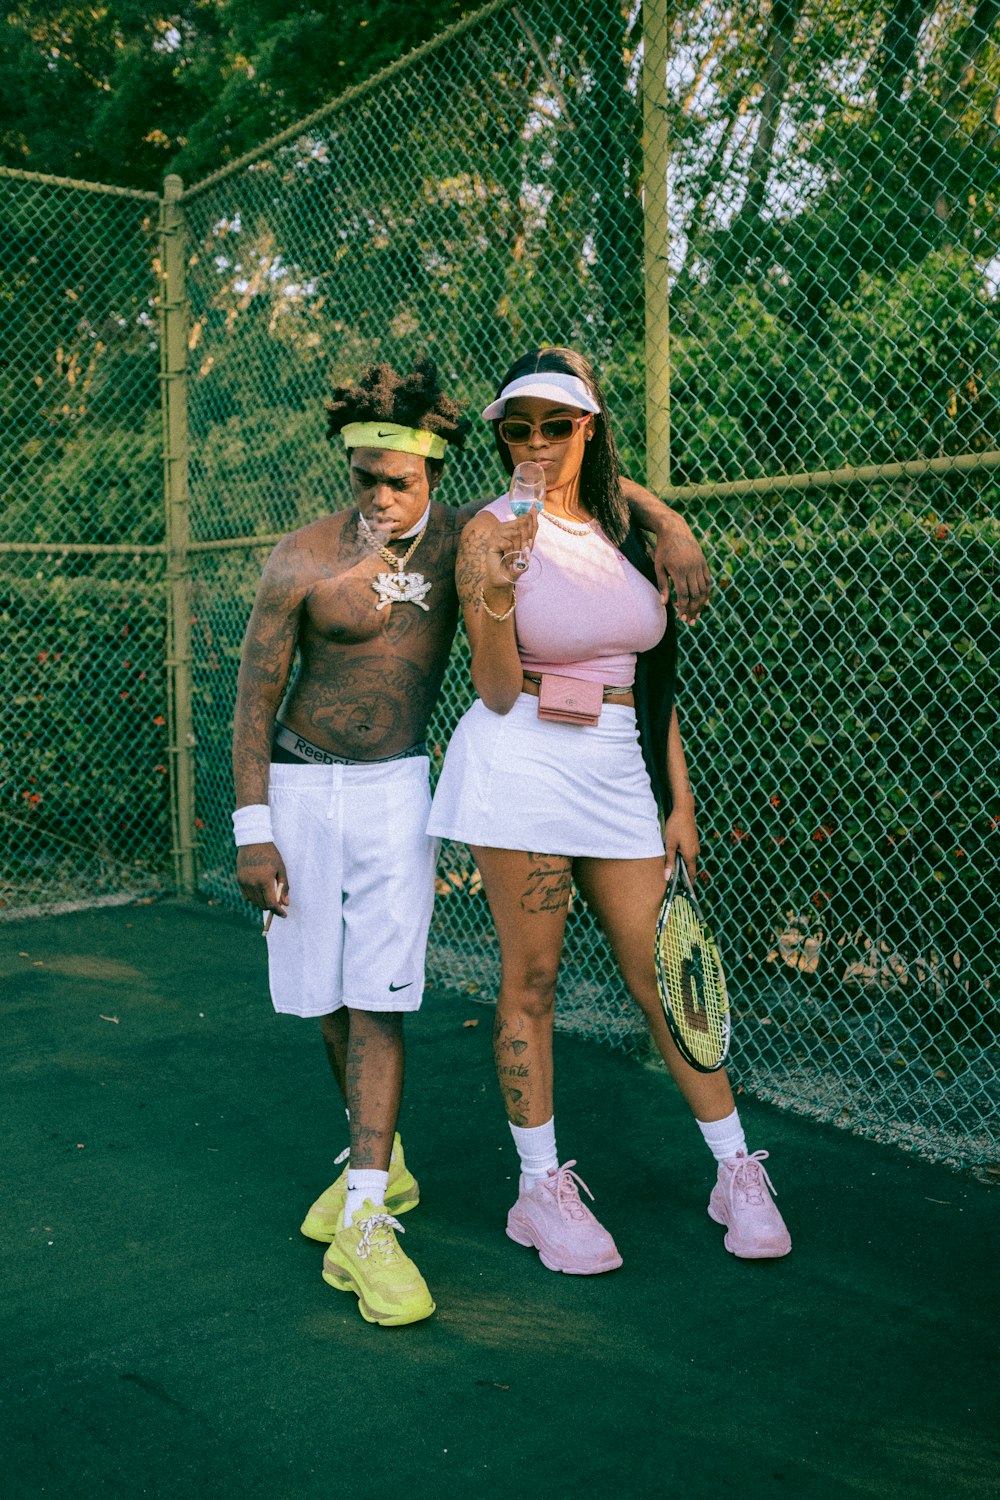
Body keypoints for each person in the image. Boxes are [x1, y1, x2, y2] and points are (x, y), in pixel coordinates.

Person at [232, 359, 717, 1326]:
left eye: (399, 481)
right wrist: (256, 830)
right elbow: (252, 699)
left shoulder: (473, 532)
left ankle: (367, 1204)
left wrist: (670, 519)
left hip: (397, 786)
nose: (380, 496)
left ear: (434, 479)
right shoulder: (302, 556)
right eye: (365, 477)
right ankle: (381, 1158)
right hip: (298, 785)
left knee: (380, 989)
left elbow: (581, 479)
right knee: (324, 993)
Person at [428, 346, 791, 1274]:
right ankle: (540, 1190)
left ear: (590, 427)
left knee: (672, 975)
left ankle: (734, 1169)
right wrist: (501, 589)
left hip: (620, 767)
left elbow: (646, 679)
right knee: (534, 980)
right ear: (503, 436)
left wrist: (678, 797)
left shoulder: (627, 527)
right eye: (520, 428)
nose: (539, 442)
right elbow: (496, 687)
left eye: (558, 424)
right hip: (520, 761)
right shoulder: (487, 528)